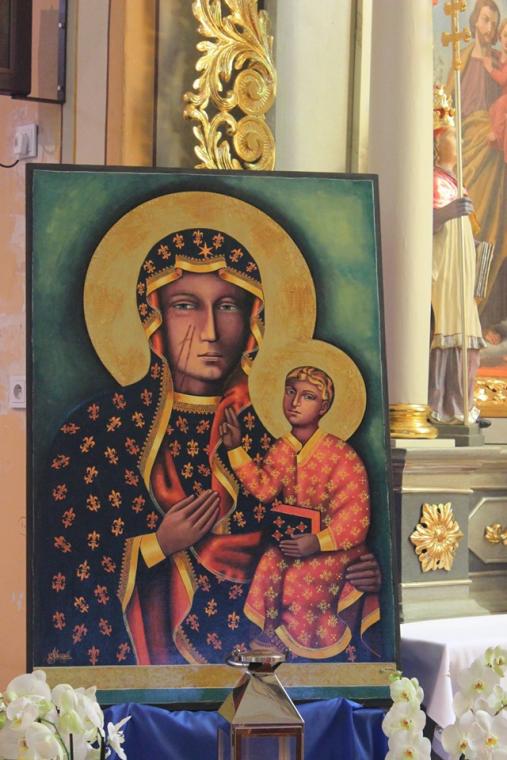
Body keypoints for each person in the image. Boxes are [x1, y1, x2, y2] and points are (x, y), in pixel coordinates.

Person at [39, 228, 381, 667]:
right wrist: (158, 544)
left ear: (254, 320)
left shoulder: (271, 436)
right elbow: (67, 562)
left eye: (228, 306)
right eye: (186, 305)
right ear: (154, 317)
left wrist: (354, 569)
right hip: (146, 669)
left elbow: (315, 529)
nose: (210, 331)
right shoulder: (101, 430)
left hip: (261, 655)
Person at [220, 366, 380, 660]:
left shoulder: (342, 456)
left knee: (300, 574)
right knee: (270, 561)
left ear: (324, 407)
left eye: (308, 396)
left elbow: (355, 520)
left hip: (337, 549)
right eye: (290, 391)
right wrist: (235, 449)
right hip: (297, 541)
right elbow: (265, 488)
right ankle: (271, 633)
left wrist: (317, 542)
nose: (295, 402)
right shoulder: (283, 448)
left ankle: (295, 644)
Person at [429, 89, 486, 424]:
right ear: (437, 144)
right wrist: (448, 212)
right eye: (452, 135)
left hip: (461, 274)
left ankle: (463, 406)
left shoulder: (455, 183)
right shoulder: (432, 180)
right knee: (447, 333)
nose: (458, 141)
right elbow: (421, 224)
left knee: (469, 339)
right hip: (444, 274)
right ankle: (441, 405)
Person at [483, 18, 507, 159]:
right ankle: (497, 140)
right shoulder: (499, 55)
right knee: (494, 108)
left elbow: (503, 79)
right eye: (506, 35)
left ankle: (497, 135)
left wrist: (490, 68)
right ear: (500, 37)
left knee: (501, 103)